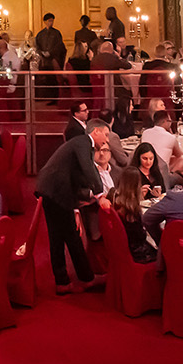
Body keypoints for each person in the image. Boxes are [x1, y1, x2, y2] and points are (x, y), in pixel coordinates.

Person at [36, 120, 112, 292]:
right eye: (106, 135)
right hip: (56, 192)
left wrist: (88, 196)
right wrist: (99, 194)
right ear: (96, 131)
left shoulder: (80, 144)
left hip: (53, 190)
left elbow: (79, 174)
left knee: (61, 237)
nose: (107, 140)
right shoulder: (84, 142)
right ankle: (83, 279)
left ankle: (64, 281)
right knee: (69, 235)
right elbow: (87, 169)